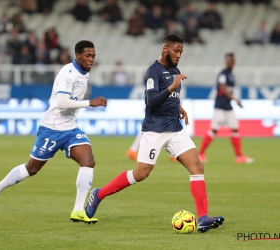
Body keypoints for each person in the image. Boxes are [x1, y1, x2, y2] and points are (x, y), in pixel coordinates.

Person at [85, 33, 224, 233]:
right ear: (165, 49)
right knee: (140, 173)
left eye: (181, 52)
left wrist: (179, 108)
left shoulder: (175, 70)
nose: (179, 55)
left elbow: (170, 97)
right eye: (176, 50)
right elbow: (151, 101)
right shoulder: (153, 71)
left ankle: (202, 218)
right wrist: (171, 87)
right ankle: (99, 194)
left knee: (197, 166)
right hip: (154, 130)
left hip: (174, 128)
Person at [0, 40, 107, 224]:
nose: (91, 59)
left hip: (70, 128)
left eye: (93, 56)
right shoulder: (68, 73)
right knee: (31, 168)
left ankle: (78, 210)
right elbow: (61, 103)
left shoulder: (84, 73)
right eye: (87, 56)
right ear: (77, 55)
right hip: (52, 128)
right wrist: (90, 103)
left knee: (88, 161)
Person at [198, 53, 254, 164]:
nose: (230, 62)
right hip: (220, 107)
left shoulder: (231, 75)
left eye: (232, 60)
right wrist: (235, 99)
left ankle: (238, 156)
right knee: (214, 130)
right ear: (226, 61)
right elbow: (223, 89)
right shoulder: (223, 74)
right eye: (228, 60)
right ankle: (200, 154)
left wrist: (233, 100)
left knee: (235, 129)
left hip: (228, 107)